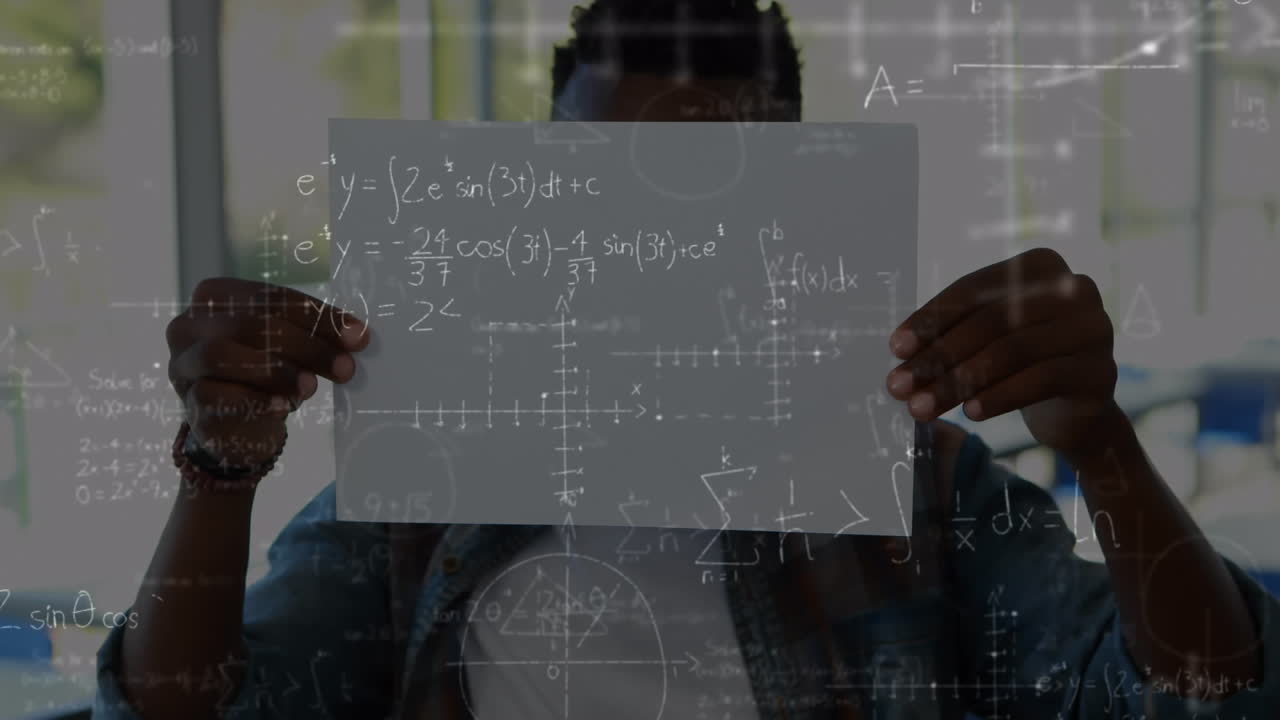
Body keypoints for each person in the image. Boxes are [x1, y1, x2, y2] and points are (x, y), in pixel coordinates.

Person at [95, 1, 1278, 718]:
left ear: (798, 206)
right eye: (594, 182)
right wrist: (219, 466)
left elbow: (1198, 700)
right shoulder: (419, 485)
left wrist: (1103, 444)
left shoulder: (917, 487)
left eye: (708, 192)